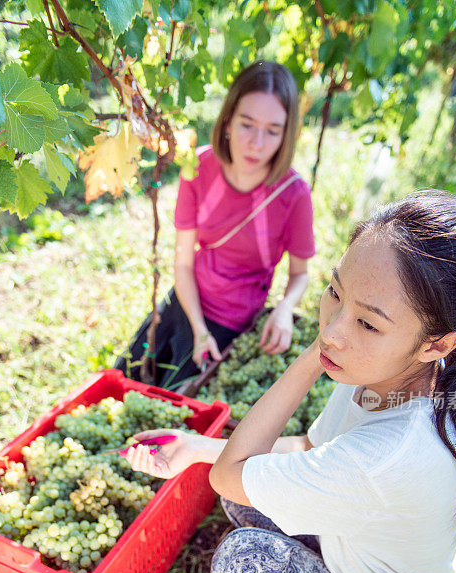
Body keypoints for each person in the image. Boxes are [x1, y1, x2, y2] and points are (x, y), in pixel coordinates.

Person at [122, 191, 456, 573]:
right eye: (335, 292)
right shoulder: (394, 367)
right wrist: (197, 446)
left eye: (367, 322)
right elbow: (306, 446)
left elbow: (232, 472)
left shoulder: (390, 452)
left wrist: (310, 358)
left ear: (437, 344)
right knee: (246, 487)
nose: (332, 330)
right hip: (358, 554)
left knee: (244, 562)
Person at [115, 60, 315, 389]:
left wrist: (284, 308)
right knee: (124, 380)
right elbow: (182, 262)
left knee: (174, 403)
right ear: (227, 121)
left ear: (286, 135)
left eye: (273, 131)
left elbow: (300, 274)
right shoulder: (198, 167)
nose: (257, 143)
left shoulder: (293, 194)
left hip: (231, 322)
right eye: (247, 124)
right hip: (185, 299)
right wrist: (197, 328)